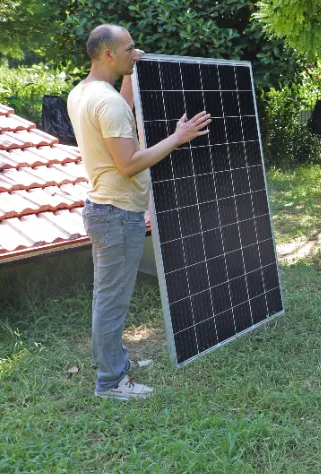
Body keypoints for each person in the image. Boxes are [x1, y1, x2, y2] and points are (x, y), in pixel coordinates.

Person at [68, 24, 211, 400]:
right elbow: (129, 163)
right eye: (130, 49)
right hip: (116, 214)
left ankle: (118, 362)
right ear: (108, 55)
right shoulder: (107, 102)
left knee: (111, 297)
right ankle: (111, 382)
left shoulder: (85, 93)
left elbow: (122, 109)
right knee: (111, 301)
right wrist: (178, 138)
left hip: (105, 209)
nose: (137, 52)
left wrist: (133, 74)